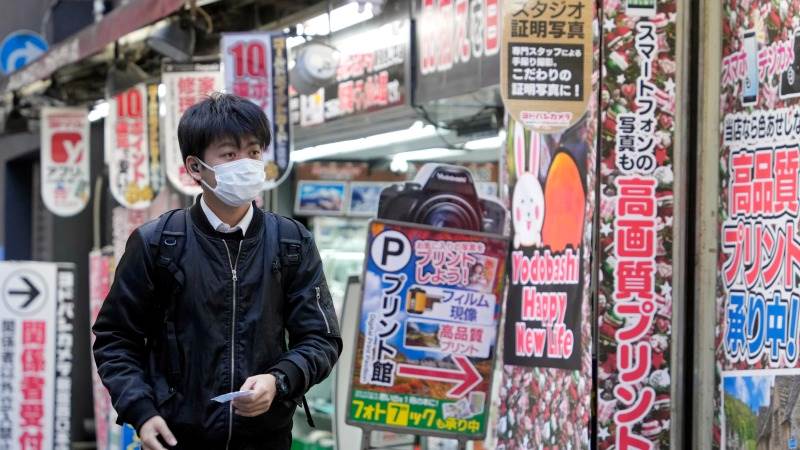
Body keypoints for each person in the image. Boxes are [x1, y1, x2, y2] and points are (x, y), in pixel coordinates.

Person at [93, 93, 342, 450]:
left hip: (265, 439)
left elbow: (321, 338)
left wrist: (278, 380)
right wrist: (142, 412)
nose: (246, 164)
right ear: (195, 167)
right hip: (175, 438)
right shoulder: (157, 243)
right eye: (229, 155)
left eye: (254, 152)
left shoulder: (291, 242)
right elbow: (116, 338)